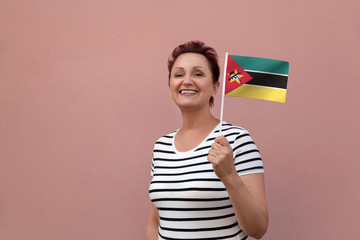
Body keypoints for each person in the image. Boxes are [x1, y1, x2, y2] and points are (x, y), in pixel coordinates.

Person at [146, 41, 268, 240]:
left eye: (198, 73)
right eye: (178, 74)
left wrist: (229, 175)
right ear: (170, 85)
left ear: (214, 87)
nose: (186, 81)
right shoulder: (161, 146)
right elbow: (156, 221)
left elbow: (258, 229)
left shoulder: (237, 139)